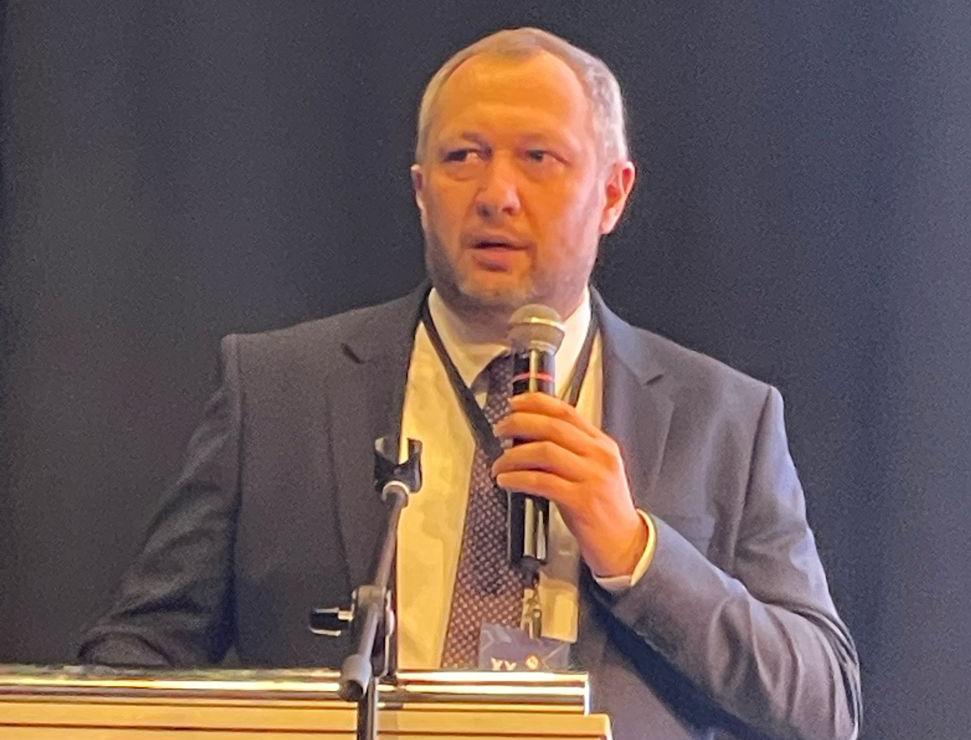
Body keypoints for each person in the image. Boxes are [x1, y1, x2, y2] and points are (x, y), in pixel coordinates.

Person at [79, 27, 861, 740]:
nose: (495, 194)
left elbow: (824, 704)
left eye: (539, 158)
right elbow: (136, 658)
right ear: (421, 191)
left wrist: (636, 551)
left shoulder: (723, 418)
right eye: (463, 157)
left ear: (613, 195)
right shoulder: (279, 392)